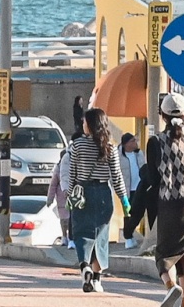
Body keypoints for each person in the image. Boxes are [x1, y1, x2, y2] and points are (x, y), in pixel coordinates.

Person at [64, 106, 129, 294]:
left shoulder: (77, 145)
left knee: (82, 233)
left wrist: (69, 195)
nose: (83, 124)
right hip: (103, 193)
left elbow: (72, 173)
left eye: (85, 122)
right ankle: (97, 279)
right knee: (100, 236)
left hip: (81, 192)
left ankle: (84, 266)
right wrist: (124, 200)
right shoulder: (110, 146)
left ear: (90, 125)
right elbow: (116, 176)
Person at [153, 94, 184, 307]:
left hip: (169, 205)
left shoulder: (157, 141)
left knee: (163, 256)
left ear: (163, 115)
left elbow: (152, 176)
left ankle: (170, 288)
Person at [120, 132, 149, 247]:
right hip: (126, 189)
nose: (135, 143)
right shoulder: (119, 155)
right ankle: (128, 237)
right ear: (126, 144)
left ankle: (129, 234)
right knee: (128, 213)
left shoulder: (139, 153)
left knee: (139, 213)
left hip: (140, 187)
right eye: (132, 141)